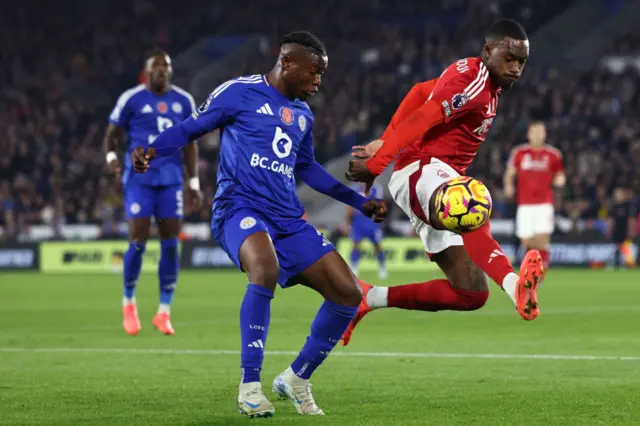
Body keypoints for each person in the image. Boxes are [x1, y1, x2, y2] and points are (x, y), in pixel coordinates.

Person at [130, 31, 386, 417]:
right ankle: (249, 387)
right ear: (287, 62)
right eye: (314, 73)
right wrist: (152, 150)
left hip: (285, 217)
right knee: (265, 268)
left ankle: (296, 378)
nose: (318, 82)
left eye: (322, 75)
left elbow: (307, 170)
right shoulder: (238, 92)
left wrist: (359, 202)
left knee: (348, 293)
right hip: (238, 207)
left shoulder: (303, 114)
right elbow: (189, 129)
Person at [342, 19, 544, 346]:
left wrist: (383, 139)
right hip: (421, 170)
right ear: (488, 50)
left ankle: (367, 297)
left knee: (470, 292)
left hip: (438, 182)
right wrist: (379, 162)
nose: (516, 68)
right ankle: (514, 286)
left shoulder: (482, 84)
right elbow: (424, 115)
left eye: (521, 62)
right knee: (473, 202)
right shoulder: (475, 81)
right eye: (509, 59)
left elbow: (420, 91)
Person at [104, 48, 202, 337]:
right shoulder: (131, 98)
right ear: (146, 72)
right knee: (138, 239)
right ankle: (129, 302)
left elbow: (191, 144)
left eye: (166, 66)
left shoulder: (183, 101)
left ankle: (163, 311)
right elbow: (111, 136)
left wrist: (193, 183)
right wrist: (112, 159)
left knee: (171, 242)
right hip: (139, 178)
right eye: (156, 66)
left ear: (171, 71)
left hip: (171, 179)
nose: (162, 70)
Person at [504, 120, 565, 271]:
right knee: (527, 241)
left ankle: (540, 273)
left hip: (544, 203)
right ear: (528, 134)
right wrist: (508, 185)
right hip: (525, 204)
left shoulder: (553, 154)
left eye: (541, 132)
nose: (537, 135)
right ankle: (532, 270)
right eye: (534, 131)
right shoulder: (519, 153)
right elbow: (510, 173)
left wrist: (560, 180)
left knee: (542, 239)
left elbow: (559, 174)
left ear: (545, 134)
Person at [346, 182, 387, 279]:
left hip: (371, 222)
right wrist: (348, 223)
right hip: (358, 222)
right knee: (355, 245)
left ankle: (382, 268)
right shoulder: (354, 189)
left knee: (377, 246)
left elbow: (381, 204)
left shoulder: (376, 188)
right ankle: (354, 269)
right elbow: (349, 207)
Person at [608, 188, 636, 269]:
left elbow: (631, 219)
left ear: (623, 195)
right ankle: (617, 263)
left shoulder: (627, 206)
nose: (618, 196)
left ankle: (629, 264)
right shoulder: (613, 206)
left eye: (619, 194)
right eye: (616, 195)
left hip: (625, 230)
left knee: (626, 247)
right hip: (616, 230)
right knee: (617, 247)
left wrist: (631, 230)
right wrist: (609, 230)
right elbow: (611, 220)